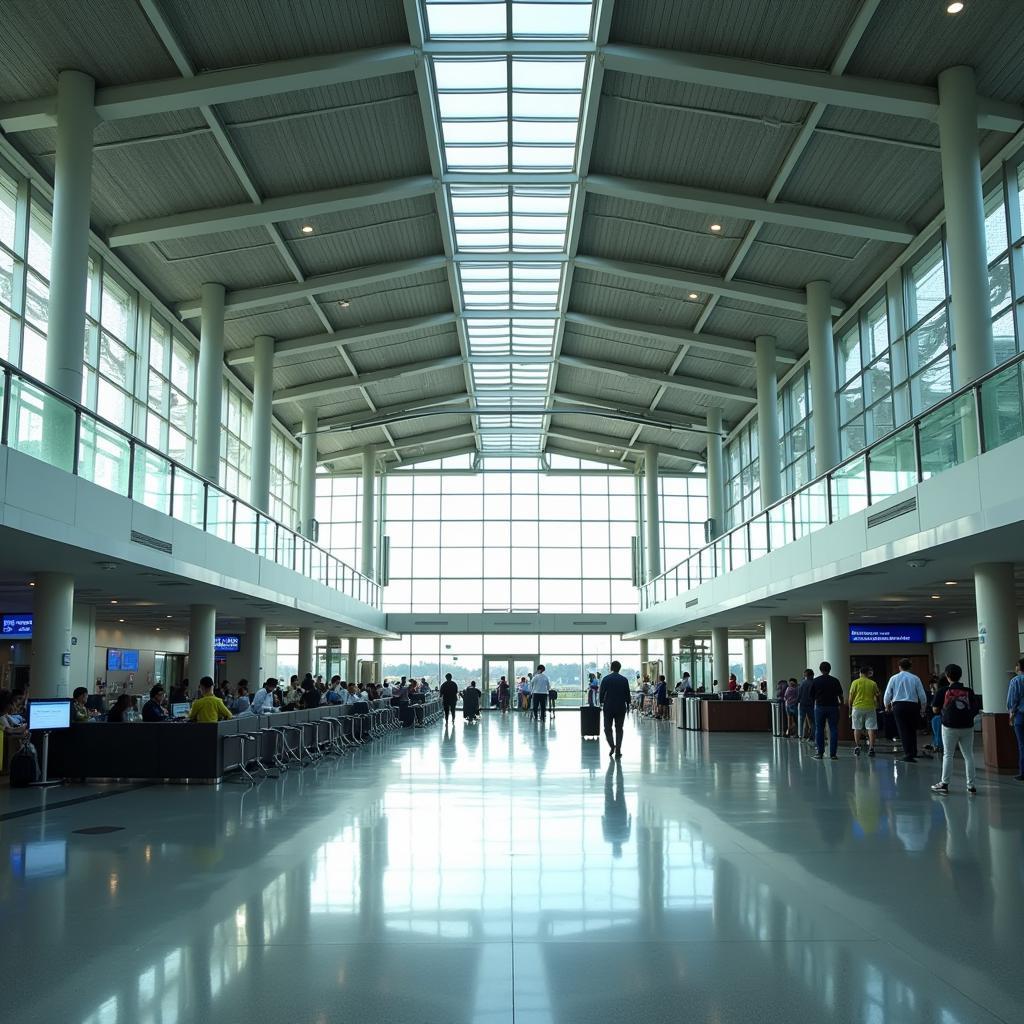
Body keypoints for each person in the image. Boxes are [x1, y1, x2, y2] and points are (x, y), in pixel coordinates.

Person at [931, 664, 979, 795]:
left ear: (947, 676)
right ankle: (971, 786)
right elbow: (975, 708)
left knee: (948, 755)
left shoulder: (942, 691)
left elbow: (935, 709)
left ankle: (944, 784)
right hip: (967, 726)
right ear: (960, 675)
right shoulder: (968, 691)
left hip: (949, 727)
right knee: (968, 755)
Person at [884, 658, 929, 763]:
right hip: (913, 705)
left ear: (899, 667)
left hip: (898, 706)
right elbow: (922, 695)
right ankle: (913, 752)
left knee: (903, 730)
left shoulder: (893, 678)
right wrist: (923, 708)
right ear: (910, 667)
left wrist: (887, 706)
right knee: (912, 729)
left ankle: (908, 754)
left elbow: (887, 694)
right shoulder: (915, 678)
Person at [810, 661, 844, 760]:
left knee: (819, 729)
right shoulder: (835, 680)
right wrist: (841, 703)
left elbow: (811, 696)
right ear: (830, 669)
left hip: (820, 707)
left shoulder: (816, 681)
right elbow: (840, 695)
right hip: (833, 707)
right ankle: (833, 754)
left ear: (820, 670)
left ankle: (820, 753)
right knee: (833, 729)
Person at [599, 661, 632, 758]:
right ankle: (618, 750)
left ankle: (612, 746)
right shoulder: (624, 680)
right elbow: (627, 694)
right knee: (619, 729)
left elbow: (601, 693)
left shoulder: (606, 679)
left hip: (608, 707)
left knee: (607, 728)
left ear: (611, 668)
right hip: (621, 707)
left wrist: (601, 702)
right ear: (619, 668)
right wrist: (628, 705)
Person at [848, 665, 880, 757]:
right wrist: (877, 704)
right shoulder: (873, 683)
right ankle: (871, 748)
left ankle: (857, 747)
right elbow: (878, 694)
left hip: (857, 707)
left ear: (860, 673)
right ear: (867, 673)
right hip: (870, 707)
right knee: (871, 728)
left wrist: (850, 709)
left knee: (857, 728)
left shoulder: (855, 682)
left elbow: (851, 697)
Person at [1007, 657, 1024, 782]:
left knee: (1022, 745)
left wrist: (1011, 715)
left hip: (1021, 716)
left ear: (1019, 667)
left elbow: (1012, 701)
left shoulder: (1016, 681)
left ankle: (1023, 772)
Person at [927, 674, 948, 755]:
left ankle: (938, 745)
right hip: (962, 720)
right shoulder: (963, 690)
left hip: (944, 718)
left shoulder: (941, 691)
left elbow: (935, 710)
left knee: (936, 719)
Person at [796, 669, 815, 742]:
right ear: (812, 675)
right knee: (813, 721)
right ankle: (812, 736)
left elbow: (799, 695)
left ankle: (800, 736)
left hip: (802, 704)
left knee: (801, 720)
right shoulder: (813, 683)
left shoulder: (802, 683)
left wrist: (797, 702)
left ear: (805, 675)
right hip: (811, 705)